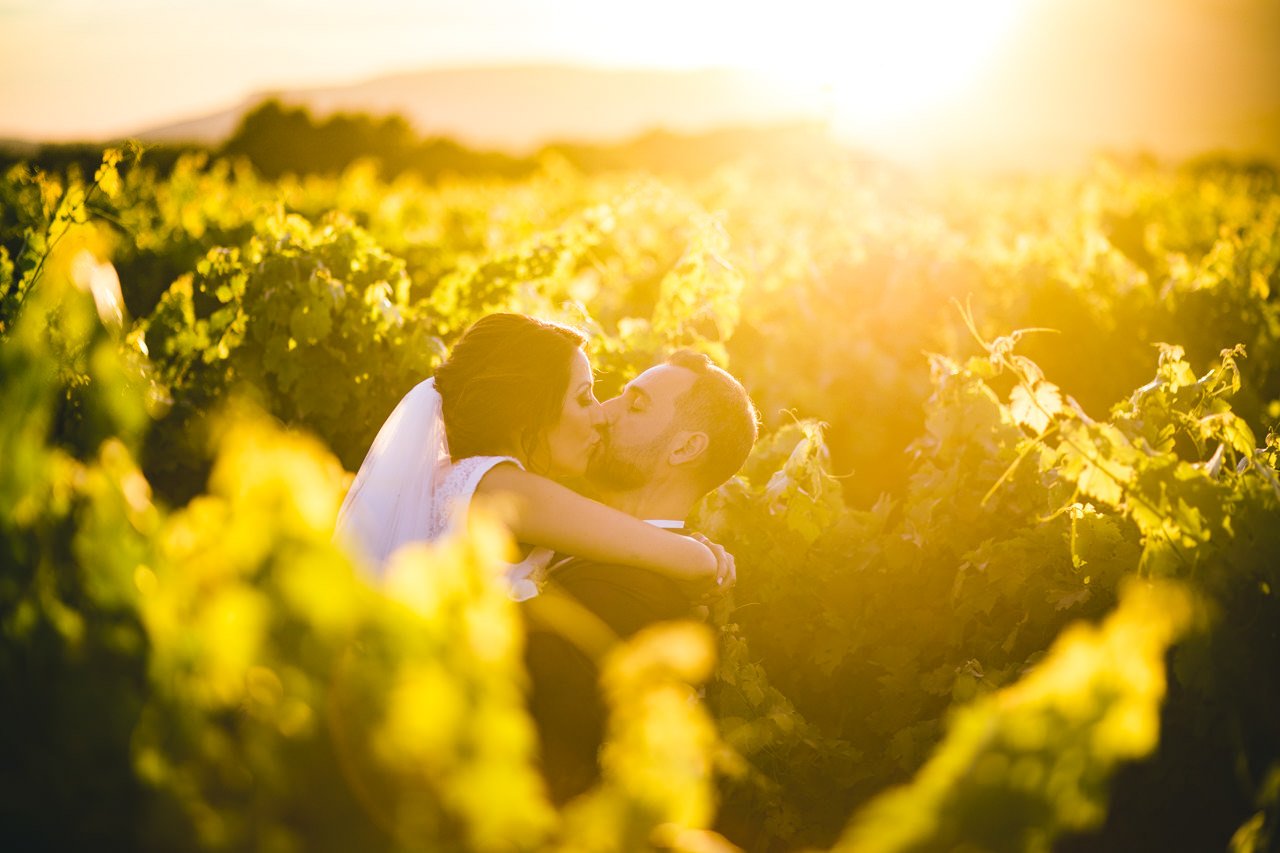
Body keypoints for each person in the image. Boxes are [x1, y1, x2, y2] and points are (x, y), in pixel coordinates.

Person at [332, 313, 733, 599]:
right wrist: (704, 557)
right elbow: (653, 550)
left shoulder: (472, 482)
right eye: (583, 397)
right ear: (530, 415)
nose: (600, 415)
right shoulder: (502, 488)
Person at [521, 349, 759, 802]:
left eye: (635, 405)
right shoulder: (565, 530)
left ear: (685, 448)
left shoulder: (638, 599)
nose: (602, 413)